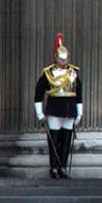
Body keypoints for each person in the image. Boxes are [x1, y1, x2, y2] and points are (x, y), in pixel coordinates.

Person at [34, 32, 82, 179]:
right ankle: (53, 167)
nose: (63, 61)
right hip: (55, 108)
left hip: (69, 108)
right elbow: (39, 93)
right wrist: (39, 112)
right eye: (61, 58)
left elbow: (78, 93)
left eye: (65, 58)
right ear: (55, 58)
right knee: (54, 139)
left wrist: (79, 112)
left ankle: (63, 166)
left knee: (66, 139)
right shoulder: (48, 73)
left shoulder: (73, 73)